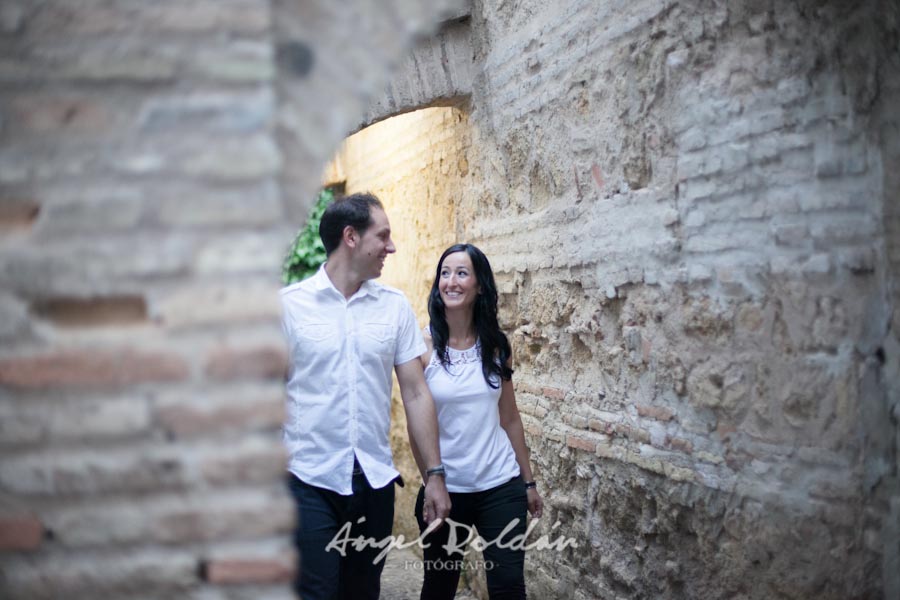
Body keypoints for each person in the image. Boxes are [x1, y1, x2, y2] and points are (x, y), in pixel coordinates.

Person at [280, 192, 451, 600]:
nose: (391, 247)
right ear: (351, 237)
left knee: (362, 593)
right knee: (315, 592)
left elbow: (415, 393)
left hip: (373, 482)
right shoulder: (288, 307)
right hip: (307, 480)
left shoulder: (394, 308)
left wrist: (435, 476)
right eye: (384, 236)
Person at [409, 243, 544, 600]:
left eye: (462, 273)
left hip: (500, 485)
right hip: (446, 489)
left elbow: (510, 418)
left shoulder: (497, 345)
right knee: (438, 588)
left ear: (479, 286)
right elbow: (416, 426)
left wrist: (528, 483)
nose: (450, 281)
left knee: (509, 587)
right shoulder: (422, 347)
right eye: (445, 273)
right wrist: (430, 482)